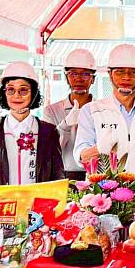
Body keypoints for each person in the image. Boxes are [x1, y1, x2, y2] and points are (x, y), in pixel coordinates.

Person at [74, 44, 135, 195]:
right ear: (110, 74)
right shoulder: (92, 111)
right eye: (120, 72)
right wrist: (99, 149)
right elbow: (81, 157)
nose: (126, 77)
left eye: (133, 72)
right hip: (105, 200)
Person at [0, 62, 64, 185]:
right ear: (4, 93)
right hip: (3, 202)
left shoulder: (48, 132)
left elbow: (58, 177)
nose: (16, 95)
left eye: (23, 90)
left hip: (36, 202)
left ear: (34, 93)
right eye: (11, 89)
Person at [42, 48, 97, 180]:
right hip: (63, 176)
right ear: (66, 77)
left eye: (85, 74)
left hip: (95, 177)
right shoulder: (51, 111)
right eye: (73, 74)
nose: (79, 79)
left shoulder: (101, 110)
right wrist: (65, 125)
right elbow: (48, 151)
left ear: (93, 79)